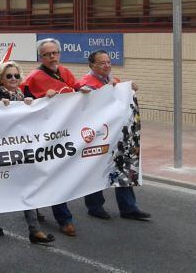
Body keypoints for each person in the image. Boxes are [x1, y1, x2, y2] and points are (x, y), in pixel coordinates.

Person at [21, 38, 91, 237]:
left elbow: (76, 87)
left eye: (55, 53)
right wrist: (40, 98)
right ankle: (63, 218)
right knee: (49, 174)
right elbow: (24, 104)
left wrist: (84, 90)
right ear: (40, 57)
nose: (52, 57)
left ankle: (44, 209)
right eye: (47, 54)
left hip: (66, 133)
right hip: (44, 136)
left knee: (58, 174)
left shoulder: (65, 72)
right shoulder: (34, 78)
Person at [0, 61, 55, 244]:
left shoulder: (21, 95)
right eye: (9, 76)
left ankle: (34, 230)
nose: (14, 79)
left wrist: (29, 104)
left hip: (21, 152)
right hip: (1, 153)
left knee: (27, 187)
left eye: (16, 75)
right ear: (1, 79)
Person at [79, 50, 151, 221]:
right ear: (92, 65)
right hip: (97, 136)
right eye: (102, 63)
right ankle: (95, 206)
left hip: (117, 135)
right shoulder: (84, 84)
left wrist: (129, 88)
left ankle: (129, 208)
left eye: (109, 62)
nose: (107, 65)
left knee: (123, 167)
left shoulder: (115, 81)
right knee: (95, 170)